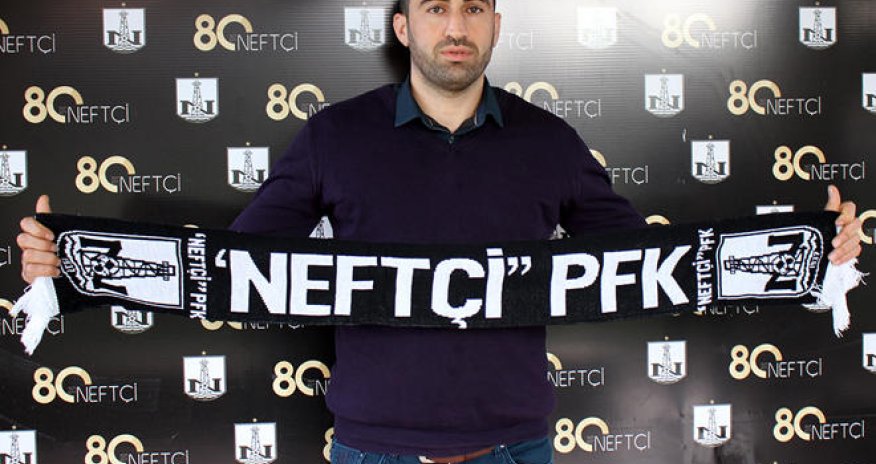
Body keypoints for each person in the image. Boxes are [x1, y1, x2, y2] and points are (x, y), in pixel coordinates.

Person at [17, 0, 863, 463]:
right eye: (435, 7)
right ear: (403, 27)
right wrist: (74, 267)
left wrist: (805, 259)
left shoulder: (550, 142)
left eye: (473, 8)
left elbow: (649, 262)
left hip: (516, 445)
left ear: (495, 24)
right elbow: (233, 266)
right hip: (372, 450)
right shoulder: (333, 136)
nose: (455, 26)